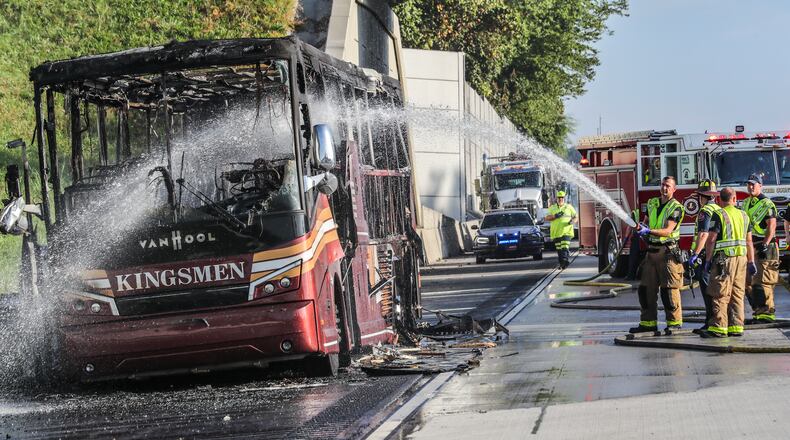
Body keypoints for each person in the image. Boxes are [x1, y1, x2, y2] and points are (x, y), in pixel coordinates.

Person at [630, 176, 686, 334]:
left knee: (669, 291)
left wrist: (648, 231)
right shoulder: (652, 203)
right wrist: (642, 228)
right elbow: (646, 221)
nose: (664, 188)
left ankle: (674, 324)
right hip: (651, 253)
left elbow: (668, 231)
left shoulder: (676, 207)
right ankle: (648, 323)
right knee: (645, 289)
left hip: (667, 253)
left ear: (674, 189)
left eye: (668, 186)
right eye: (662, 185)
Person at [700, 187, 755, 338]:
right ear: (735, 199)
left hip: (723, 260)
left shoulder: (719, 214)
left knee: (720, 293)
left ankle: (719, 327)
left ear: (719, 200)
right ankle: (736, 327)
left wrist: (708, 260)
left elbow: (711, 240)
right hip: (742, 260)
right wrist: (751, 261)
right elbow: (749, 241)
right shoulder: (744, 215)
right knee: (738, 293)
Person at [742, 174, 779, 323]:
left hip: (766, 246)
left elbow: (772, 226)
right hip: (750, 246)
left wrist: (765, 243)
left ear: (760, 186)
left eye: (754, 184)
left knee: (764, 281)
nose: (751, 187)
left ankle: (767, 313)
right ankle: (758, 310)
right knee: (747, 282)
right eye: (749, 184)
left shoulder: (767, 204)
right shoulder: (745, 203)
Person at [687, 179, 721, 334]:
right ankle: (714, 320)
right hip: (718, 255)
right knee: (716, 290)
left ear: (702, 197)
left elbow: (703, 234)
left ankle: (711, 322)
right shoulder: (719, 209)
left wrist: (695, 254)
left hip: (707, 256)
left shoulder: (705, 211)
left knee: (708, 291)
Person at [544, 190, 577, 269]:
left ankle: (565, 261)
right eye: (559, 197)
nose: (560, 199)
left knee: (565, 246)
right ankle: (562, 263)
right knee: (559, 249)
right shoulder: (552, 208)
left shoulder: (569, 207)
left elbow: (576, 216)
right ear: (556, 199)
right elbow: (546, 218)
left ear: (564, 198)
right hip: (556, 232)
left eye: (562, 197)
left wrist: (572, 221)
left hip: (566, 231)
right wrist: (555, 216)